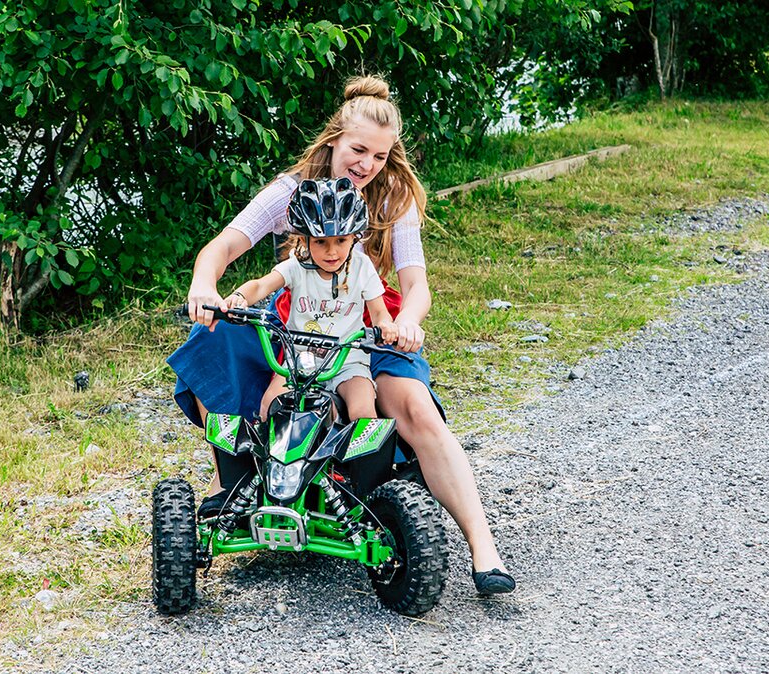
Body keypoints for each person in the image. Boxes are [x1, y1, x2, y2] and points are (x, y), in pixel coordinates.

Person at [167, 75, 515, 595]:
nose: (367, 165)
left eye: (380, 155)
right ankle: (238, 478)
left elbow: (415, 283)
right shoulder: (291, 192)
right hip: (300, 325)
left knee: (412, 406)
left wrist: (407, 323)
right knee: (218, 350)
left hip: (373, 326)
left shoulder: (394, 197)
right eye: (358, 150)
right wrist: (205, 288)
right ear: (334, 139)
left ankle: (482, 545)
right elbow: (221, 250)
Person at [223, 177, 397, 422]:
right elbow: (262, 285)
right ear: (304, 240)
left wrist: (385, 326)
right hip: (299, 362)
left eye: (341, 240)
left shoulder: (361, 267)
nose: (332, 252)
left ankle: (360, 459)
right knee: (270, 405)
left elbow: (379, 312)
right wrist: (240, 297)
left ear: (354, 238)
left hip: (348, 361)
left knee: (363, 411)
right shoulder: (297, 266)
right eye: (320, 242)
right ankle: (266, 458)